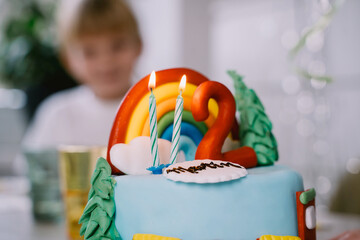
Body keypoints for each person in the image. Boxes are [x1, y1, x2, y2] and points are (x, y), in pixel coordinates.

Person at [22, 0, 142, 148]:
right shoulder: (56, 116)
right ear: (68, 60)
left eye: (117, 46)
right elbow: (32, 168)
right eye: (89, 52)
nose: (106, 60)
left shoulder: (162, 110)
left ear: (138, 45)